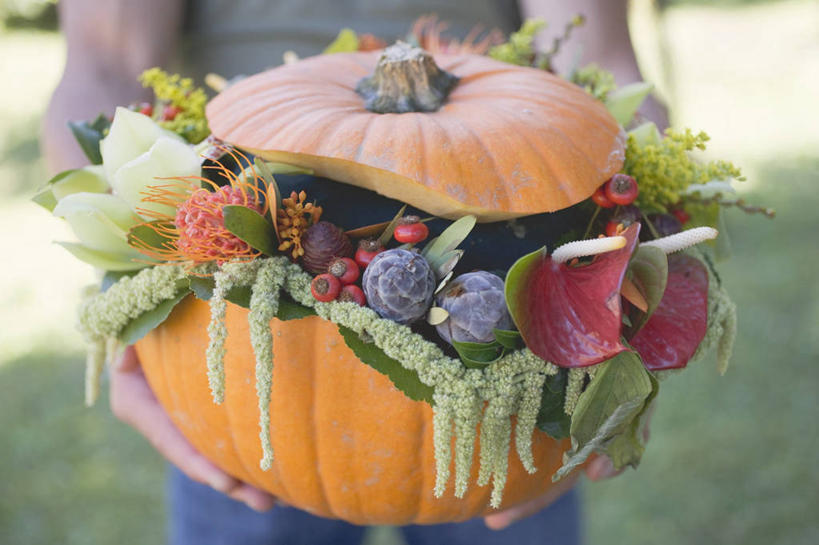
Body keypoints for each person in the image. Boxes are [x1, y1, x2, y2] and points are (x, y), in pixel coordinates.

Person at [43, 1, 663, 543]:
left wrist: (651, 280)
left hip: (521, 349)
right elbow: (104, 63)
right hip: (247, 344)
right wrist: (123, 299)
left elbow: (601, 59)